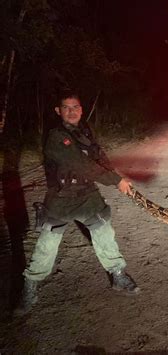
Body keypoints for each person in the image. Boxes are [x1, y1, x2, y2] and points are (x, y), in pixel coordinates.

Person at [15, 91, 139, 315]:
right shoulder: (55, 136)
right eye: (66, 107)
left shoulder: (85, 132)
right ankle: (30, 285)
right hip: (61, 197)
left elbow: (99, 158)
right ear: (58, 111)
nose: (71, 112)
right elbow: (81, 164)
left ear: (81, 110)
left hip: (87, 195)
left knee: (104, 233)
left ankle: (118, 275)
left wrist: (117, 176)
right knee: (47, 244)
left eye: (75, 107)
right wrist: (115, 181)